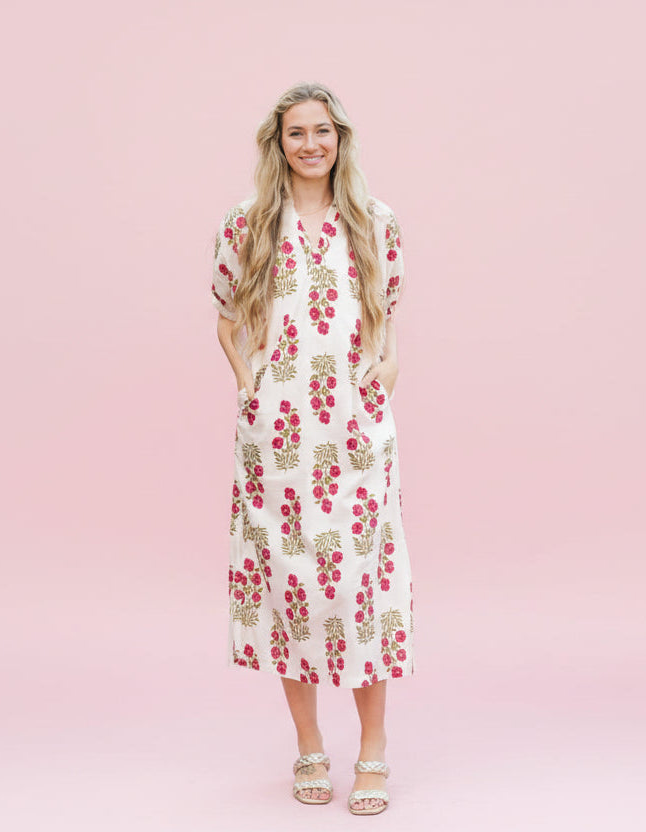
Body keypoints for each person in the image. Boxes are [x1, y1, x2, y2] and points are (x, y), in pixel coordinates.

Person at [211, 81, 414, 816]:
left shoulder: (374, 221)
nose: (310, 145)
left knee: (363, 587)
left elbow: (387, 321)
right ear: (279, 143)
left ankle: (373, 750)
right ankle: (308, 749)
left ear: (340, 139)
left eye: (321, 131)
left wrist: (386, 369)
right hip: (279, 438)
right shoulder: (247, 223)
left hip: (356, 434)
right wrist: (248, 388)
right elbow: (229, 321)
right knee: (290, 587)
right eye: (297, 133)